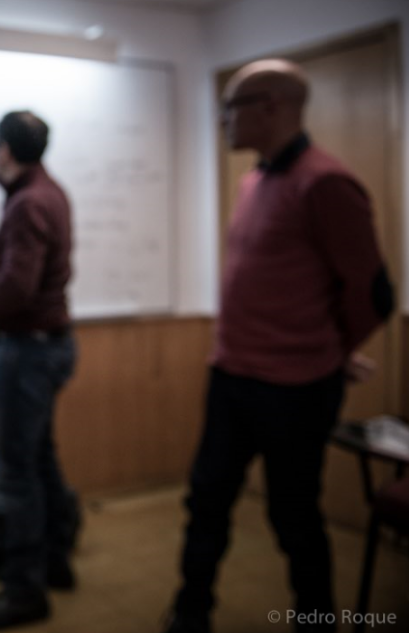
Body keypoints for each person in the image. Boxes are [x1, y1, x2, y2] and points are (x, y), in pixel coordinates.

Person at [164, 60, 395, 633]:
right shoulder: (255, 179)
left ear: (272, 107)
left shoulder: (325, 183)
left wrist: (330, 350)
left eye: (230, 108)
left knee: (294, 518)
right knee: (207, 502)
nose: (222, 120)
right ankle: (191, 613)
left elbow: (375, 295)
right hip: (232, 375)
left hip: (294, 391)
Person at [0, 111, 77, 629]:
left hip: (26, 353)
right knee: (40, 460)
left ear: (7, 149)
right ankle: (56, 562)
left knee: (17, 474)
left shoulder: (28, 204)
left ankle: (25, 591)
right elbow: (17, 194)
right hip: (52, 347)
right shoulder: (47, 189)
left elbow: (14, 292)